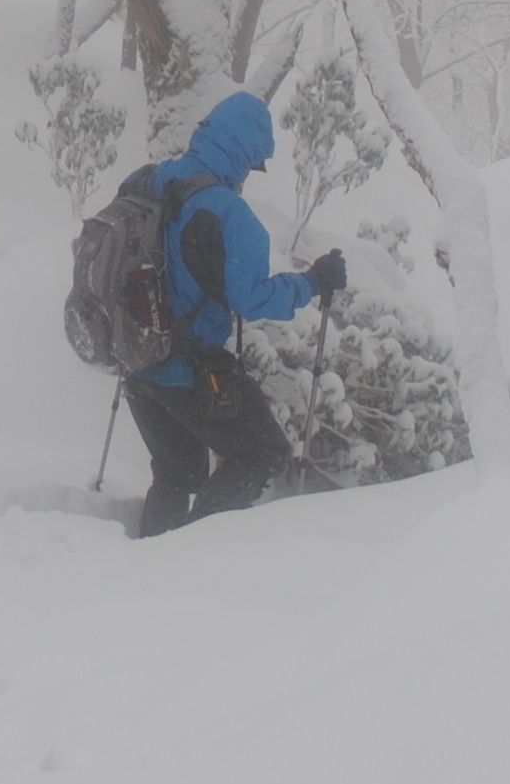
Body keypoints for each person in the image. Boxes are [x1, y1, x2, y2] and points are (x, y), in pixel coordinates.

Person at [125, 89, 346, 538]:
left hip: (135, 357)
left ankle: (147, 564)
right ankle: (196, 556)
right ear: (243, 152)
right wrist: (313, 282)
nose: (249, 174)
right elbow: (252, 298)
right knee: (261, 454)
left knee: (177, 474)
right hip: (187, 369)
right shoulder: (227, 211)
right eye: (253, 163)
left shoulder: (146, 180)